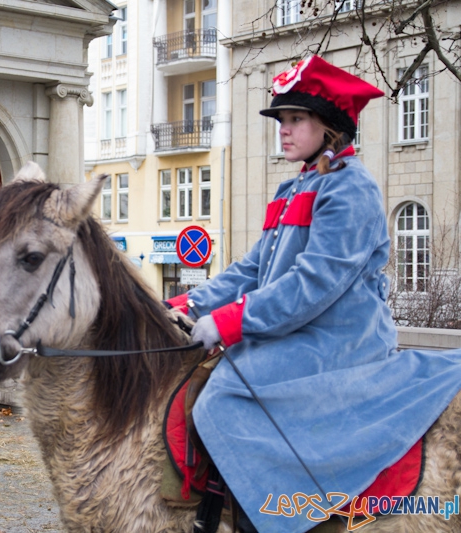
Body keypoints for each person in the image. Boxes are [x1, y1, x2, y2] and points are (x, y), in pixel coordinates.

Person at [184, 55, 461, 533]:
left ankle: (279, 517)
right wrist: (189, 305)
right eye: (281, 120)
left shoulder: (352, 189)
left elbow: (312, 285)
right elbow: (253, 270)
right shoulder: (292, 189)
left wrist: (230, 322)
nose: (283, 131)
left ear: (329, 127)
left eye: (296, 119)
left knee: (224, 397)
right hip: (300, 332)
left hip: (339, 340)